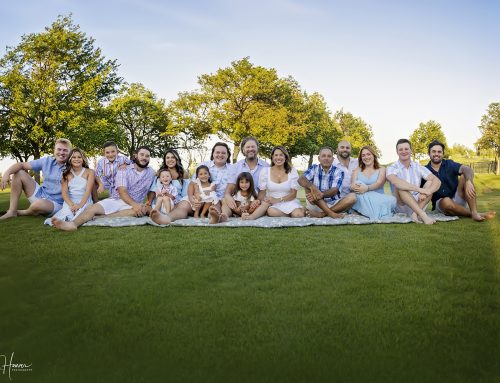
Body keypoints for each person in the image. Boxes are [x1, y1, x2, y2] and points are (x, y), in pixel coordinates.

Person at [52, 146, 156, 231]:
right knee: (92, 208)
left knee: (140, 210)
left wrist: (149, 202)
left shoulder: (151, 172)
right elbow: (122, 191)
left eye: (147, 156)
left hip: (135, 203)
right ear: (135, 156)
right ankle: (72, 225)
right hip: (117, 199)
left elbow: (152, 189)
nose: (144, 158)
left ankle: (103, 218)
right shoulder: (124, 169)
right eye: (142, 155)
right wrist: (135, 205)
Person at [151, 143, 231, 225]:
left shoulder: (232, 169)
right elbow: (192, 184)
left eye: (223, 153)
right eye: (217, 152)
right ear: (213, 154)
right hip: (197, 197)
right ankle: (167, 218)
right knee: (183, 206)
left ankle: (214, 218)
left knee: (214, 206)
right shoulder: (203, 165)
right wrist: (191, 199)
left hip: (217, 199)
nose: (220, 155)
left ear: (228, 155)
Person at [0, 138, 72, 220]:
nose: (61, 153)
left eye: (65, 150)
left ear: (70, 153)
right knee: (19, 173)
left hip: (56, 203)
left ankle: (23, 212)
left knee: (39, 204)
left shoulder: (73, 166)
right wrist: (6, 174)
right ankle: (12, 211)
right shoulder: (47, 161)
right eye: (59, 149)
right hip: (40, 194)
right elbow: (22, 165)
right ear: (54, 150)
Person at [425, 140, 495, 221]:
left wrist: (468, 181)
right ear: (429, 153)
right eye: (433, 151)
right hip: (441, 204)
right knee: (446, 202)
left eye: (439, 152)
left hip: (458, 197)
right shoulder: (425, 170)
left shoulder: (449, 164)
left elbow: (466, 169)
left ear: (443, 154)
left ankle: (474, 212)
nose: (436, 154)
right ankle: (474, 214)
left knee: (464, 176)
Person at [386, 139, 441, 225]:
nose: (404, 151)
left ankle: (415, 213)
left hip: (419, 202)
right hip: (402, 205)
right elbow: (395, 182)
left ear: (411, 150)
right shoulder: (392, 167)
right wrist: (420, 190)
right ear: (397, 152)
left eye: (406, 149)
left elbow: (437, 181)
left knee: (430, 183)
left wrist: (427, 192)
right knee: (401, 186)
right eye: (401, 149)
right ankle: (422, 214)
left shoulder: (417, 166)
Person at [221, 137, 269, 220]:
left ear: (257, 148)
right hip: (239, 204)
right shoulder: (236, 167)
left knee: (265, 203)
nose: (250, 149)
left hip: (256, 203)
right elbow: (229, 190)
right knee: (225, 200)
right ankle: (223, 216)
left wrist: (255, 202)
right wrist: (228, 196)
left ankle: (250, 216)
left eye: (253, 147)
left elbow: (263, 190)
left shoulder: (266, 167)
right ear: (243, 150)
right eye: (247, 147)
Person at [45, 148, 95, 226]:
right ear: (70, 159)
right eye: (74, 157)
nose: (76, 159)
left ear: (83, 159)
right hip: (70, 201)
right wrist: (72, 205)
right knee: (68, 213)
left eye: (79, 157)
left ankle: (70, 222)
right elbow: (64, 193)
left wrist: (80, 205)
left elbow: (88, 191)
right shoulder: (66, 174)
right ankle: (64, 221)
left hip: (85, 200)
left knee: (82, 214)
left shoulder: (90, 172)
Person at [298, 146, 346, 219]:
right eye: (323, 156)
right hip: (315, 204)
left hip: (333, 204)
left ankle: (322, 214)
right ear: (319, 158)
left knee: (352, 197)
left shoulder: (339, 171)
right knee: (307, 185)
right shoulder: (314, 168)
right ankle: (331, 213)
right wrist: (313, 187)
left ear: (333, 159)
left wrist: (321, 194)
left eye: (329, 156)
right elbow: (301, 179)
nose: (326, 158)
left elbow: (335, 190)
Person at [351, 146, 396, 220]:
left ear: (373, 155)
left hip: (379, 197)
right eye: (363, 155)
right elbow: (353, 185)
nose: (366, 157)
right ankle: (371, 212)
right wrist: (354, 187)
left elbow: (379, 183)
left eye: (368, 154)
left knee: (392, 200)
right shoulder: (357, 170)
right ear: (361, 158)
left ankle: (366, 212)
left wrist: (366, 188)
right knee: (358, 183)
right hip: (361, 197)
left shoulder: (382, 169)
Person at [258, 146, 305, 218]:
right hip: (273, 204)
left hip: (289, 201)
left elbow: (293, 194)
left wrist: (277, 200)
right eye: (276, 155)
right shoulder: (265, 171)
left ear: (285, 157)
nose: (278, 158)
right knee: (271, 212)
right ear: (272, 158)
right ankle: (291, 214)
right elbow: (262, 192)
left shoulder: (292, 171)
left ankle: (297, 212)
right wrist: (260, 201)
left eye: (281, 155)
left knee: (298, 215)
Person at [331, 140, 358, 212]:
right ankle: (326, 213)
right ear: (337, 150)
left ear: (351, 150)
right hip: (338, 199)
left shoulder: (357, 162)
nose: (345, 149)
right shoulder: (332, 164)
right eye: (342, 147)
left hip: (357, 196)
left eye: (347, 148)